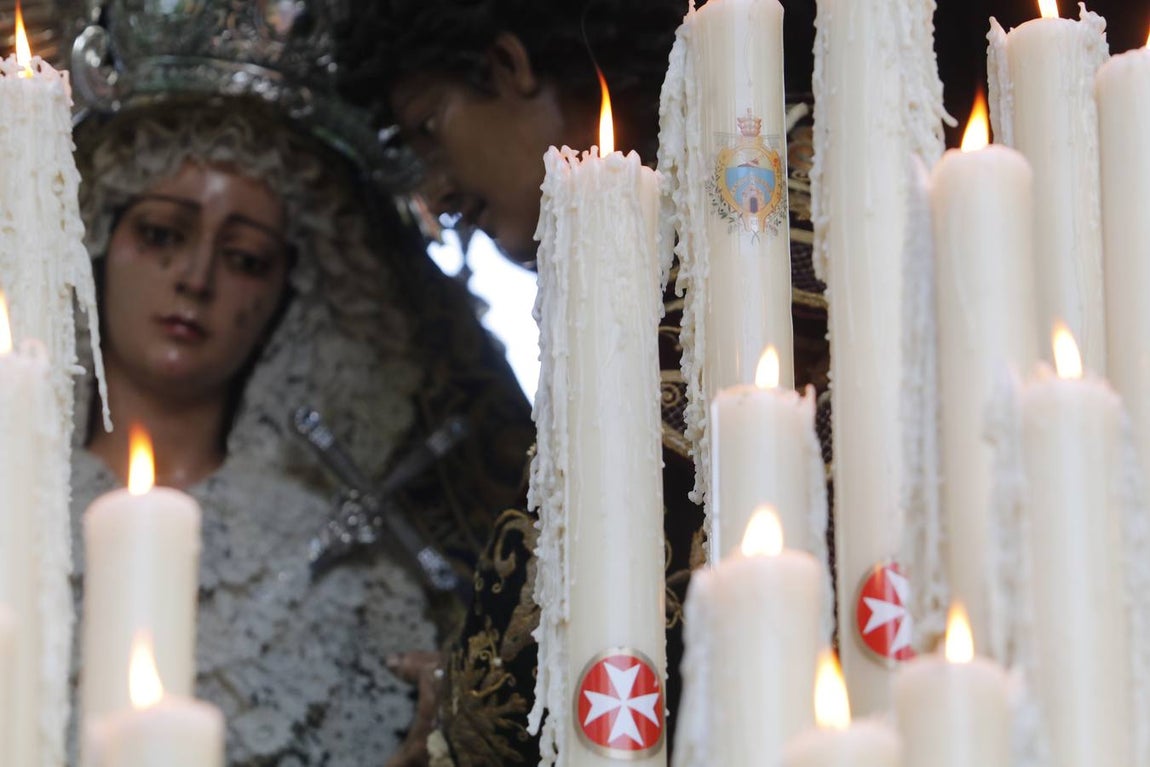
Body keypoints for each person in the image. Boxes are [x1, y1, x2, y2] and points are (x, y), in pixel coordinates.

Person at [338, 1, 829, 765]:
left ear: (508, 66)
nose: (435, 196)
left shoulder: (758, 210)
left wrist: (458, 717)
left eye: (427, 129)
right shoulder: (657, 249)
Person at [68, 93, 534, 766]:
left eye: (245, 258)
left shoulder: (352, 581)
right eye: (163, 234)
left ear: (291, 294)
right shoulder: (20, 501)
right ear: (99, 242)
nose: (195, 278)